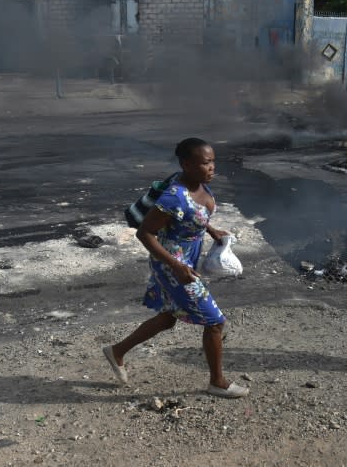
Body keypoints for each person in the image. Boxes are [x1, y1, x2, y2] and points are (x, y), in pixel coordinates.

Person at [103, 138, 249, 398]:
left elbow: (193, 215)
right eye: (205, 163)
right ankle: (217, 382)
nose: (212, 167)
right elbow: (145, 233)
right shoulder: (173, 197)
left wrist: (212, 230)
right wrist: (176, 266)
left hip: (187, 260)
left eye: (213, 161)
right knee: (215, 322)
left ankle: (116, 351)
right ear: (186, 164)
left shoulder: (199, 185)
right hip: (173, 265)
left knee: (168, 318)